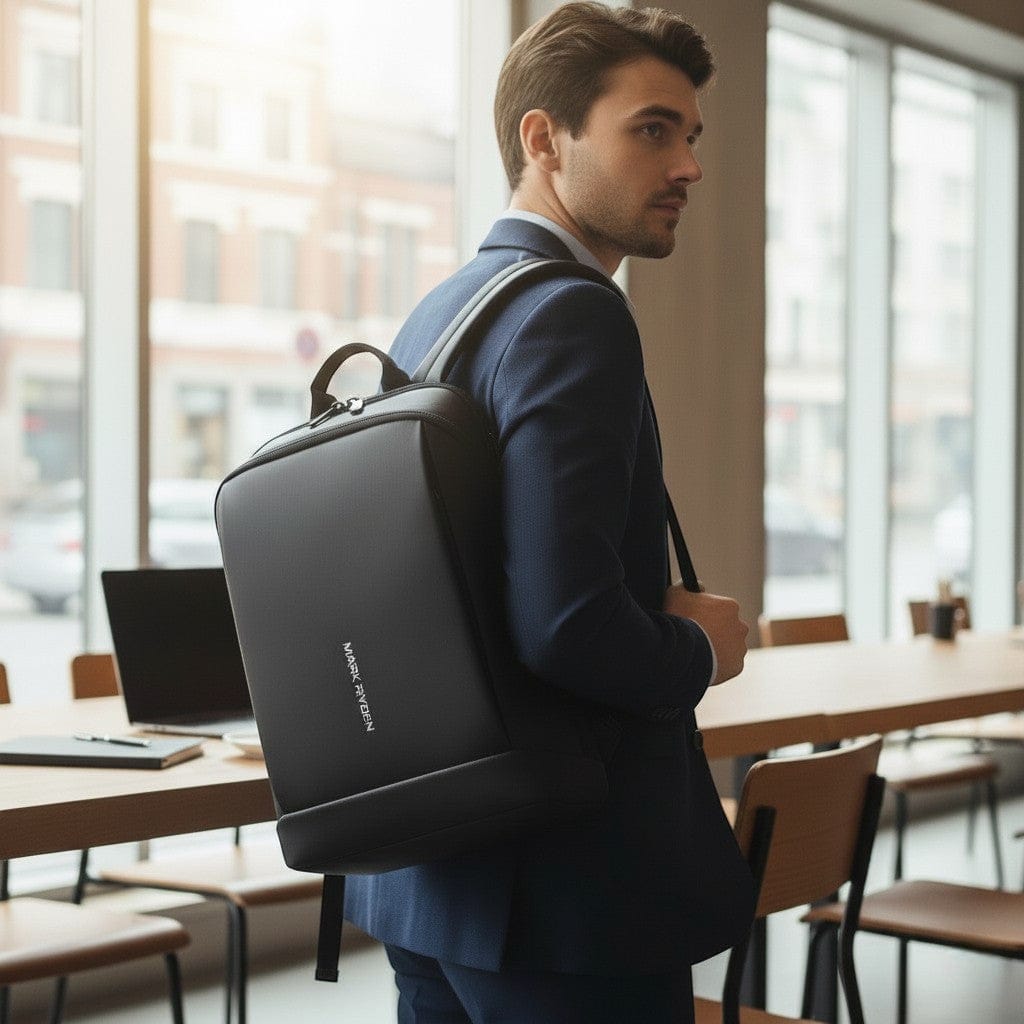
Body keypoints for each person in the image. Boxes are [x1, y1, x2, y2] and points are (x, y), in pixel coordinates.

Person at [344, 4, 755, 1021]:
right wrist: (700, 647)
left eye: (690, 137)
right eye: (650, 129)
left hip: (430, 871)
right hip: (565, 888)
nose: (688, 166)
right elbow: (565, 625)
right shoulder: (574, 314)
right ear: (544, 139)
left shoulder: (441, 310)